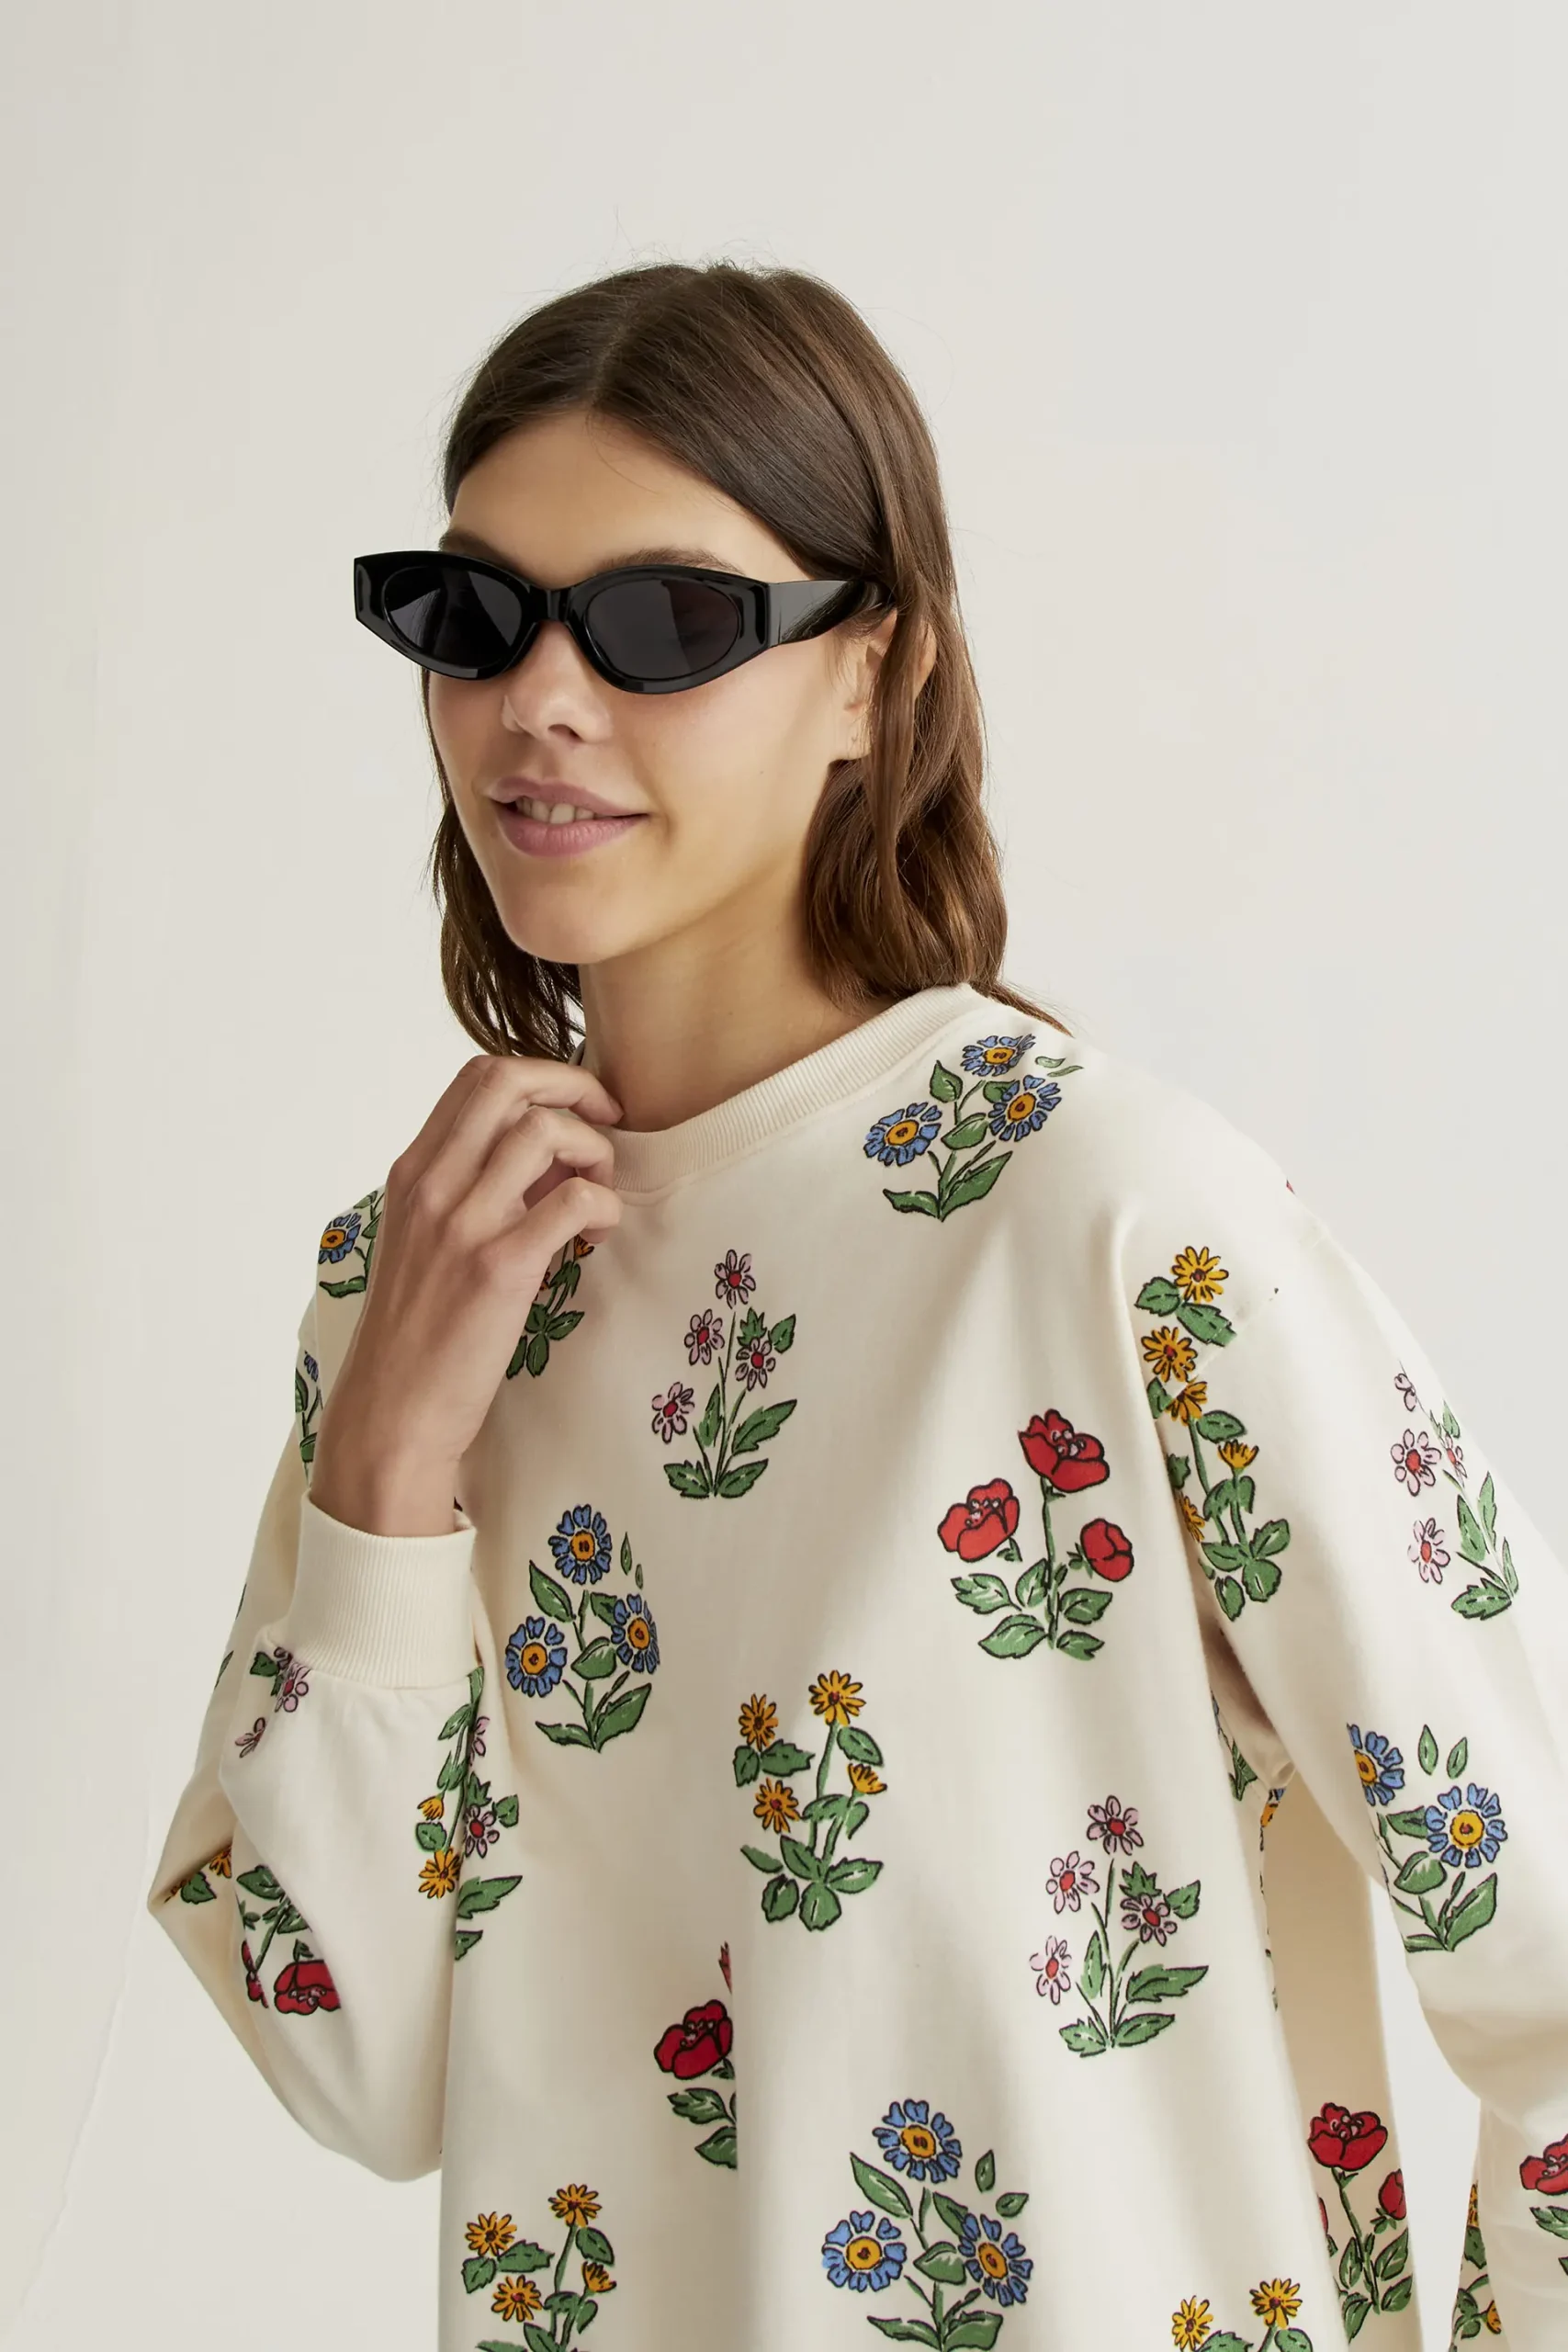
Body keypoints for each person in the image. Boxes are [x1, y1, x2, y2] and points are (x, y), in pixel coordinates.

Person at [146, 259, 1568, 2352]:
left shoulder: (1115, 1222)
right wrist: (384, 1471)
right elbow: (354, 2071)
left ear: (868, 673)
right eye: (476, 615)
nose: (540, 699)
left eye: (665, 620)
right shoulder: (410, 1285)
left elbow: (1542, 1950)